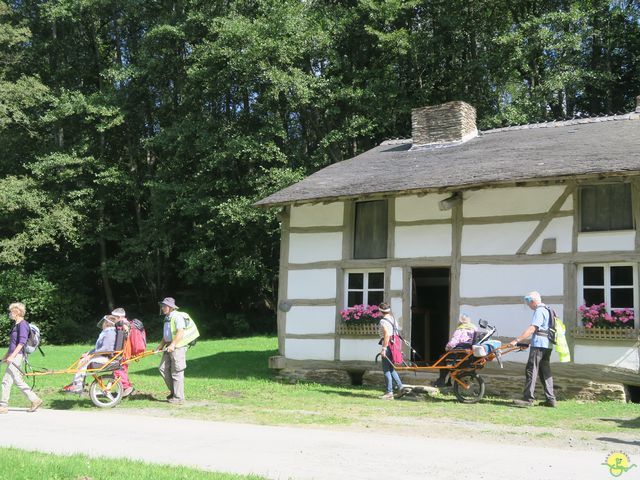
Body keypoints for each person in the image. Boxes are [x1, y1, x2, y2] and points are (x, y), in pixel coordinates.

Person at [509, 291, 556, 408]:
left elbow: (532, 329)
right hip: (547, 345)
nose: (528, 305)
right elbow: (543, 331)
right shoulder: (547, 310)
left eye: (528, 303)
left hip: (539, 345)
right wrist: (529, 342)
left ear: (532, 301)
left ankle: (527, 399)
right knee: (545, 372)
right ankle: (551, 399)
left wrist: (516, 340)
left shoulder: (539, 311)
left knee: (531, 370)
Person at [0, 303, 43, 414]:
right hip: (14, 355)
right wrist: (6, 356)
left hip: (17, 356)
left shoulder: (23, 324)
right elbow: (13, 344)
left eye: (11, 311)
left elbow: (22, 342)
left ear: (18, 311)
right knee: (17, 380)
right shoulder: (16, 325)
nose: (9, 313)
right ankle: (35, 400)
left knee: (6, 380)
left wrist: (12, 356)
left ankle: (3, 406)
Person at [62, 315, 117, 393]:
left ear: (107, 324)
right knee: (83, 360)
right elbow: (99, 349)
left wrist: (91, 356)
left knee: (84, 361)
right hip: (103, 356)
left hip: (106, 358)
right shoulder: (108, 332)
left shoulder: (110, 333)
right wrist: (88, 353)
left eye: (104, 322)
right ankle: (77, 383)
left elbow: (106, 349)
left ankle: (77, 386)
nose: (102, 324)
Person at [156, 297, 188, 404]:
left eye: (164, 306)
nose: (162, 308)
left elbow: (180, 332)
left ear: (170, 307)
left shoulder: (177, 316)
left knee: (177, 372)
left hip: (177, 347)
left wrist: (173, 345)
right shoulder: (167, 317)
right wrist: (161, 345)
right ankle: (174, 392)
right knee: (162, 368)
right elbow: (166, 334)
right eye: (162, 306)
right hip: (169, 346)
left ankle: (179, 398)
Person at [433, 314, 477, 387]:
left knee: (442, 358)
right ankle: (449, 381)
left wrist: (447, 347)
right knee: (450, 359)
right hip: (469, 354)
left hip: (461, 353)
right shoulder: (475, 328)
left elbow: (454, 341)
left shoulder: (461, 329)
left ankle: (441, 380)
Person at [378, 302, 406, 400]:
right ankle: (401, 387)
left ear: (381, 311)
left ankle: (389, 392)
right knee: (391, 369)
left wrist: (384, 349)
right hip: (395, 345)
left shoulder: (383, 321)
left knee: (386, 370)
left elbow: (386, 335)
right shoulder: (393, 319)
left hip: (389, 345)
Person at [111, 307, 134, 397]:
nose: (113, 319)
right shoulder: (124, 323)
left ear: (119, 317)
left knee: (119, 369)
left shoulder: (124, 324)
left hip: (124, 351)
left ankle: (127, 387)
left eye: (114, 317)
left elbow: (125, 337)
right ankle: (125, 388)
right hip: (124, 351)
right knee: (121, 369)